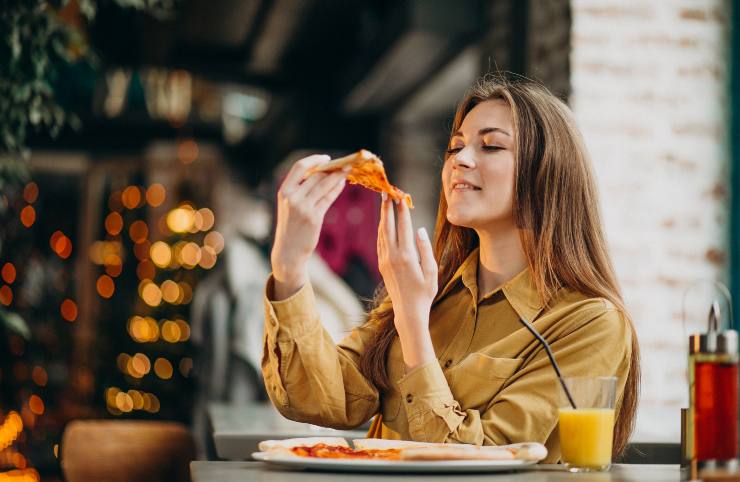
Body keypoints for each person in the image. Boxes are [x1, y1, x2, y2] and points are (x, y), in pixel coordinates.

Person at [261, 74, 640, 462]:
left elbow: (487, 460)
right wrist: (290, 267)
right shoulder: (434, 292)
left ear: (546, 172)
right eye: (455, 147)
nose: (460, 159)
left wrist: (411, 320)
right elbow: (318, 399)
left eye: (490, 146)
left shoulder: (591, 323)